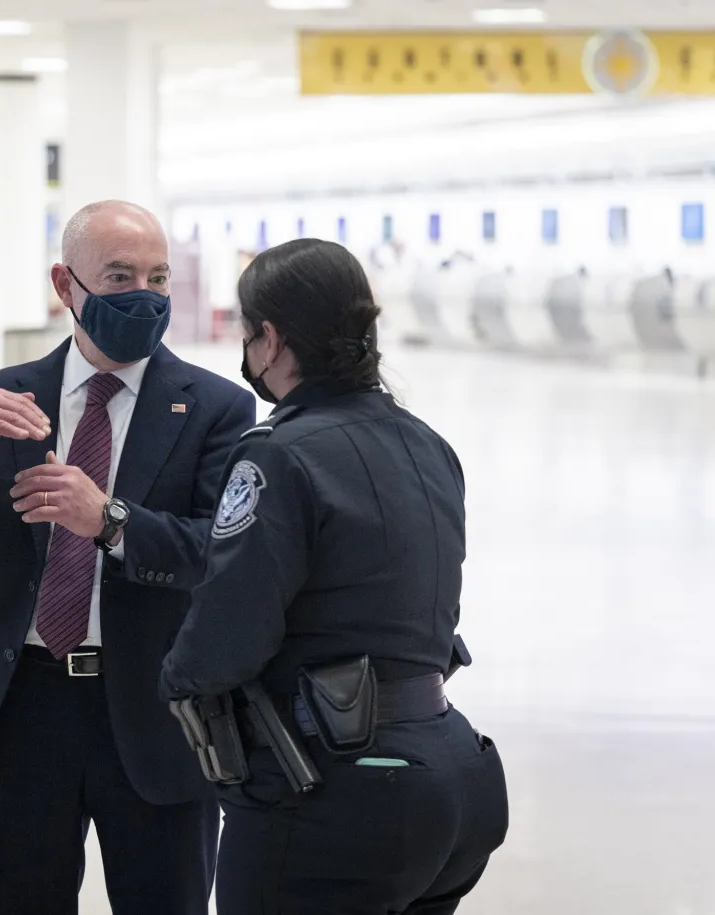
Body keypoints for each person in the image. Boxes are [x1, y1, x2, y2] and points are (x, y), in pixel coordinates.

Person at [0, 201, 256, 915]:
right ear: (66, 284)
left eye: (157, 277)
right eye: (119, 276)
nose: (142, 294)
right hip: (17, 708)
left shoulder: (215, 409)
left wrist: (109, 520)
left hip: (154, 715)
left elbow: (221, 556)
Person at [160, 239, 509, 914]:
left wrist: (172, 679)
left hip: (332, 802)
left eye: (247, 332)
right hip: (454, 782)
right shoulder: (428, 444)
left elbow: (228, 634)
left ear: (271, 339)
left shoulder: (278, 457)